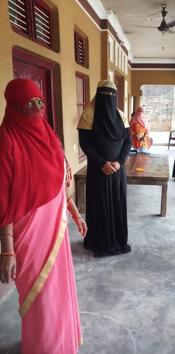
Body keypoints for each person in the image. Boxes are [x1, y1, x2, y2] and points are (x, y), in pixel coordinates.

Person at [0, 78, 86, 354]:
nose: (37, 107)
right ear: (14, 107)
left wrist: (75, 213)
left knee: (58, 293)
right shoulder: (7, 140)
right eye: (29, 103)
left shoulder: (49, 135)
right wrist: (8, 251)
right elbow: (3, 200)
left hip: (56, 231)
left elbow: (60, 182)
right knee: (40, 299)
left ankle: (62, 342)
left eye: (40, 101)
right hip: (28, 236)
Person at [78, 80, 132, 257]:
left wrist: (120, 161)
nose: (108, 99)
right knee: (100, 204)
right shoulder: (88, 116)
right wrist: (101, 163)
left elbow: (127, 141)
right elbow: (85, 143)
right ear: (97, 94)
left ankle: (118, 240)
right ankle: (100, 243)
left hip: (117, 171)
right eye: (104, 94)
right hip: (98, 170)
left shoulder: (122, 117)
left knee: (117, 204)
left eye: (111, 95)